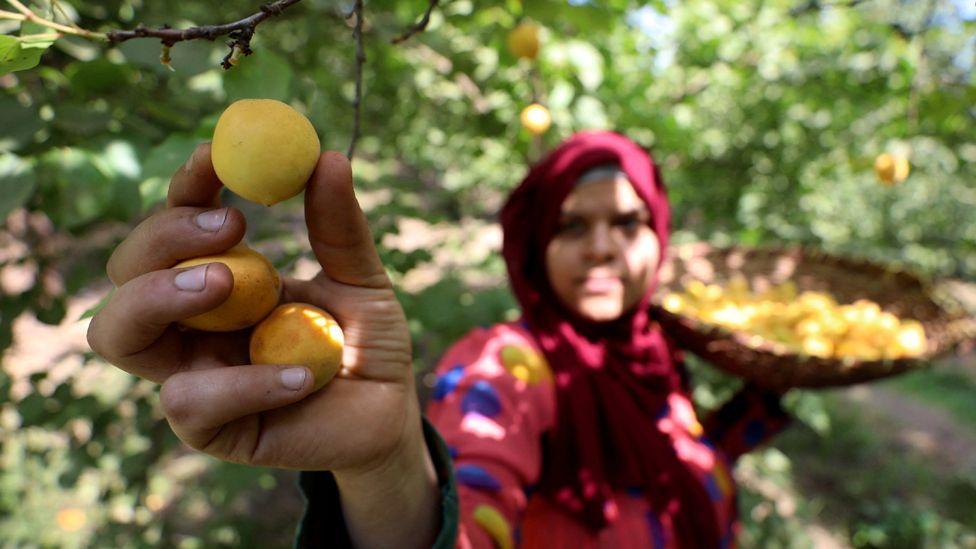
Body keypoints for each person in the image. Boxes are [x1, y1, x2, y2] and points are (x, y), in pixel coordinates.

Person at [88, 131, 789, 549]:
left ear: (659, 234)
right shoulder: (508, 369)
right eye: (572, 226)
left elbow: (667, 455)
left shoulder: (654, 354)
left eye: (629, 223)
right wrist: (387, 467)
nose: (604, 249)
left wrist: (757, 407)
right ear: (532, 244)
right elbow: (475, 516)